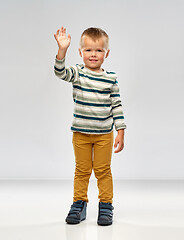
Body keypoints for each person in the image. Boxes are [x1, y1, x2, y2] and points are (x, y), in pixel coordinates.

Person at [53, 26, 126, 226]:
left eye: (99, 50)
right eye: (88, 50)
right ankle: (79, 204)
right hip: (81, 134)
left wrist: (120, 131)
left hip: (104, 134)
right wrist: (62, 51)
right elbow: (60, 72)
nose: (93, 55)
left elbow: (117, 106)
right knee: (82, 170)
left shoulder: (110, 78)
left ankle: (106, 206)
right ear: (80, 52)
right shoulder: (78, 73)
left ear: (106, 53)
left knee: (103, 170)